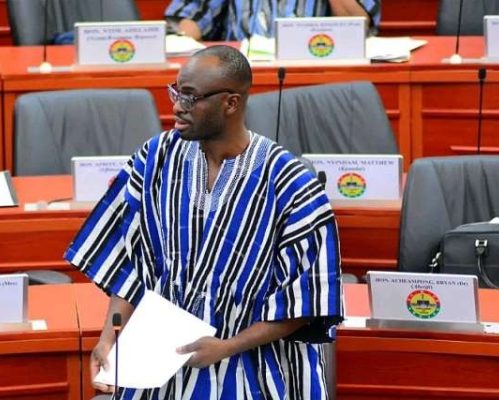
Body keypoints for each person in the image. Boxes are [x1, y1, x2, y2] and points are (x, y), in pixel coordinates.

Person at [64, 44, 343, 399]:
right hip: (160, 362)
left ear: (231, 103)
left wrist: (226, 347)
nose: (177, 106)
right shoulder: (155, 158)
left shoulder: (291, 183)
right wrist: (111, 337)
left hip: (255, 366)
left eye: (190, 97)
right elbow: (129, 262)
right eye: (176, 92)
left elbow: (305, 301)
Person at [165, 0, 381, 41]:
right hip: (237, 73)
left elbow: (356, 28)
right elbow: (190, 19)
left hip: (311, 69)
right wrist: (183, 40)